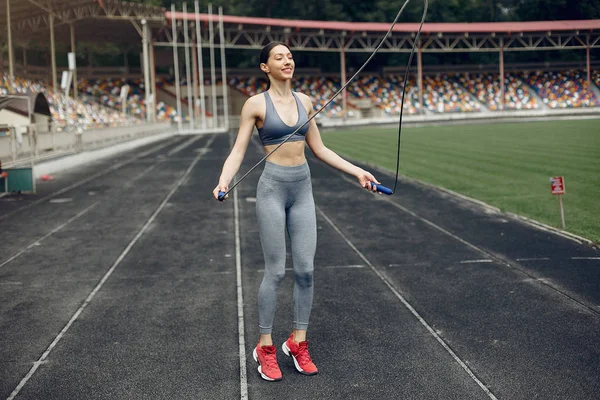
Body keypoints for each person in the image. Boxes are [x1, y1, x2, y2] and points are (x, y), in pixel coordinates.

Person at [213, 41, 382, 382]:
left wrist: (357, 172)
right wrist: (224, 180)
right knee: (275, 272)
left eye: (289, 56)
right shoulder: (255, 104)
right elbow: (238, 150)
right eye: (279, 57)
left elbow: (318, 148)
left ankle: (297, 342)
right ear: (265, 67)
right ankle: (265, 347)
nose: (287, 60)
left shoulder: (305, 101)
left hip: (302, 188)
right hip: (273, 189)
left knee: (305, 271)